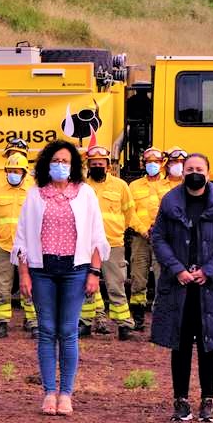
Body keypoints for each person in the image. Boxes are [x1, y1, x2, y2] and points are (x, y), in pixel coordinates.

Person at [13, 140, 108, 416]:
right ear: (46, 164)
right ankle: (48, 392)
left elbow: (96, 237)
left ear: (74, 166)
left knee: (68, 332)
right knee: (46, 332)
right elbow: (22, 237)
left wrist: (94, 272)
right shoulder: (35, 194)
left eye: (66, 161)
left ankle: (66, 393)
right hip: (42, 271)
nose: (60, 166)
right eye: (56, 161)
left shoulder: (85, 194)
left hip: (75, 271)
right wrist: (24, 274)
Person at [150, 153, 213, 423]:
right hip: (178, 287)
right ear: (182, 172)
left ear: (209, 174)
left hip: (210, 287)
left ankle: (208, 400)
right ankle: (180, 400)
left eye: (199, 168)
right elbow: (158, 237)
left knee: (208, 345)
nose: (194, 173)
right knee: (180, 345)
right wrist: (177, 268)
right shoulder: (170, 202)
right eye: (190, 168)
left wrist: (208, 271)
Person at [83, 145, 136, 340]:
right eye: (94, 164)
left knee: (116, 285)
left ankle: (124, 325)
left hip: (113, 243)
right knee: (86, 285)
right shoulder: (82, 186)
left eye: (101, 163)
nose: (97, 166)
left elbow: (130, 213)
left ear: (108, 166)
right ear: (88, 165)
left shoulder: (121, 186)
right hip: (87, 245)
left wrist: (140, 231)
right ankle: (86, 324)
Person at [0, 150, 32, 337]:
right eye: (10, 170)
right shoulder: (0, 191)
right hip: (3, 246)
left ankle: (33, 322)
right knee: (1, 286)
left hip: (25, 249)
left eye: (17, 171)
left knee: (28, 286)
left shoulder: (32, 192)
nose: (13, 174)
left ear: (24, 173)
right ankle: (0, 323)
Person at [127, 147, 167, 330]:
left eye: (156, 162)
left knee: (163, 277)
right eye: (149, 162)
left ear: (162, 163)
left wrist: (159, 231)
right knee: (138, 277)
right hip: (140, 238)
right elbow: (130, 212)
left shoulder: (169, 186)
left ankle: (162, 319)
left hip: (163, 239)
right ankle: (138, 317)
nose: (152, 165)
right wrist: (143, 230)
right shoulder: (134, 186)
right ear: (143, 164)